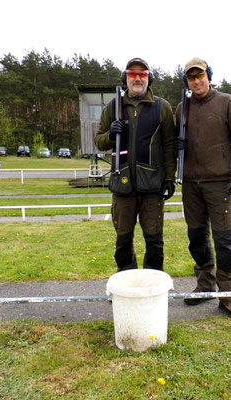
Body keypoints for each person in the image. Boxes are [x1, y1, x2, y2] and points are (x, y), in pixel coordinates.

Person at [174, 57, 231, 319]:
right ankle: (205, 285)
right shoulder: (181, 109)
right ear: (187, 80)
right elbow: (171, 142)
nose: (196, 81)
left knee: (224, 240)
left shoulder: (227, 102)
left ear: (209, 75)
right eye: (191, 77)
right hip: (190, 186)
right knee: (196, 238)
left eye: (200, 76)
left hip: (220, 185)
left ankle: (229, 295)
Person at [94, 57, 176, 272]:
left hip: (153, 186)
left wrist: (169, 178)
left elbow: (169, 146)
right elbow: (99, 141)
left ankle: (153, 286)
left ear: (149, 78)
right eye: (132, 74)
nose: (137, 78)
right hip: (122, 185)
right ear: (125, 78)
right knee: (122, 241)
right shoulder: (114, 106)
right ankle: (126, 285)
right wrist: (112, 134)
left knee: (154, 242)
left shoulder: (162, 107)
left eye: (143, 74)